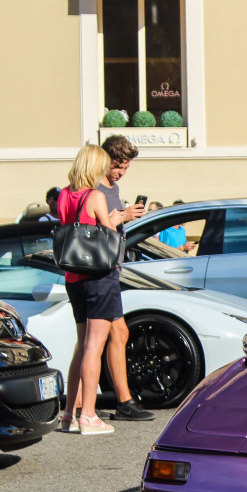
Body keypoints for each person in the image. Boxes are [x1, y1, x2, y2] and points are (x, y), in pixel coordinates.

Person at [56, 144, 120, 435]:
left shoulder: (64, 195)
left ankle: (69, 413)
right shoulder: (95, 196)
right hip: (99, 277)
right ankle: (89, 416)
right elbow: (109, 234)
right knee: (96, 346)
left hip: (73, 277)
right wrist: (119, 218)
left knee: (81, 346)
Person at [96, 135, 153, 422]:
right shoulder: (95, 188)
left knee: (111, 335)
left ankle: (114, 400)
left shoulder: (112, 187)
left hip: (110, 268)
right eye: (117, 166)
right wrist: (122, 215)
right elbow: (96, 224)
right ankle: (122, 400)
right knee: (106, 337)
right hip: (100, 270)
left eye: (125, 168)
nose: (121, 172)